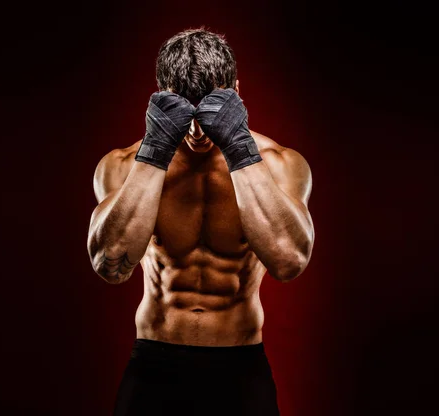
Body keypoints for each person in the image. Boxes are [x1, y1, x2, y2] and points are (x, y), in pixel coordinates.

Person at [87, 28, 314, 416]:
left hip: (240, 369)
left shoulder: (278, 164)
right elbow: (110, 265)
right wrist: (156, 149)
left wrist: (238, 147)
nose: (197, 128)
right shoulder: (124, 166)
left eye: (209, 107)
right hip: (154, 366)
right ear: (161, 97)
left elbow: (289, 262)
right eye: (184, 109)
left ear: (235, 92)